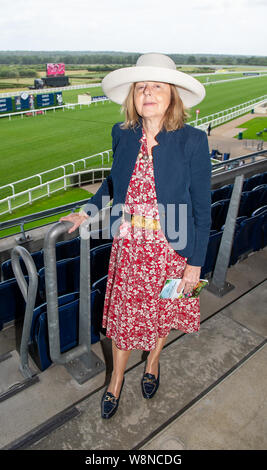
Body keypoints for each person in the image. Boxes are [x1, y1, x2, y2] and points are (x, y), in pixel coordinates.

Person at [60, 53, 211, 419]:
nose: (148, 92)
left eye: (157, 86)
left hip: (173, 247)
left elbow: (202, 208)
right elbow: (114, 183)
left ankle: (154, 361)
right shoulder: (122, 135)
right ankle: (115, 380)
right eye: (141, 87)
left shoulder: (193, 140)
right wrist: (87, 211)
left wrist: (195, 263)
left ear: (172, 95)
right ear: (133, 96)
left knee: (162, 311)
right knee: (126, 318)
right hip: (129, 247)